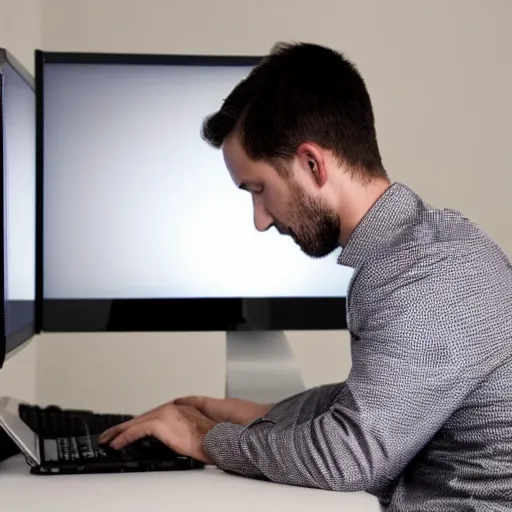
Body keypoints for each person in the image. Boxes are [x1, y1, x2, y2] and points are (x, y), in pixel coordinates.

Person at [100, 42, 512, 510]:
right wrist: (266, 416)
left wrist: (207, 439)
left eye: (259, 189)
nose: (260, 219)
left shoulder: (430, 276)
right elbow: (382, 398)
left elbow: (349, 458)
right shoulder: (419, 255)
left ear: (312, 164)